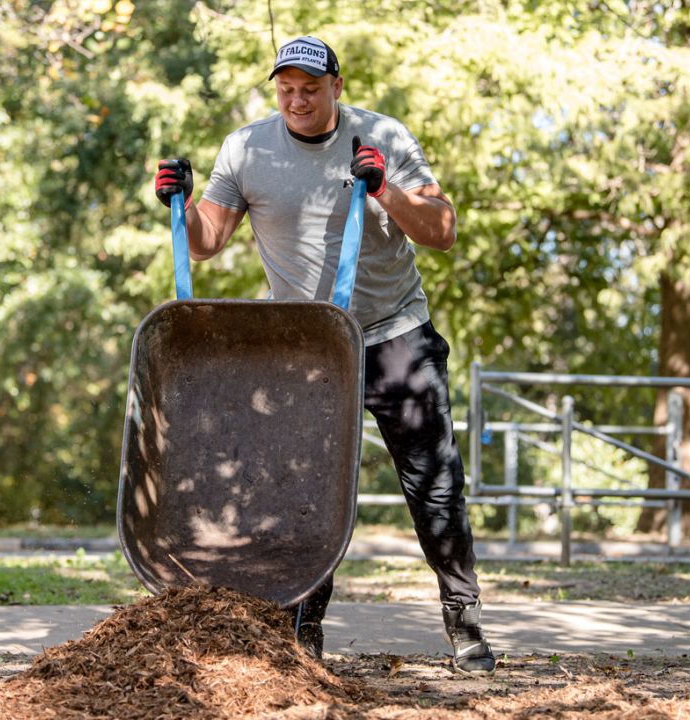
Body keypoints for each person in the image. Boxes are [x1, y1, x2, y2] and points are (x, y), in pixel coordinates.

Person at [152, 35, 495, 676]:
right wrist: (179, 203)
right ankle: (302, 632)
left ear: (337, 86)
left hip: (394, 333)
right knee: (301, 494)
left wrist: (386, 190)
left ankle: (464, 618)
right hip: (308, 348)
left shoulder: (382, 136)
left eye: (311, 87)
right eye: (286, 87)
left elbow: (443, 231)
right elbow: (206, 243)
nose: (298, 98)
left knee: (435, 486)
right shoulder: (247, 148)